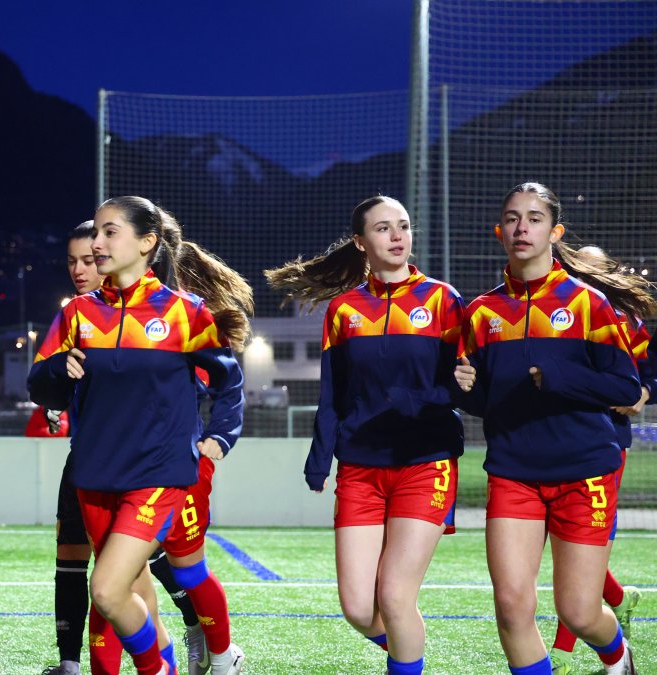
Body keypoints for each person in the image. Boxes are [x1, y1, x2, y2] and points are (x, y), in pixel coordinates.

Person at [29, 197, 247, 675]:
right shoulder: (79, 314)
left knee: (107, 588)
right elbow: (40, 387)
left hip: (157, 475)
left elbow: (229, 381)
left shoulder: (184, 313)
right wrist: (56, 373)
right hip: (93, 474)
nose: (97, 243)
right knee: (119, 595)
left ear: (147, 243)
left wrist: (221, 436)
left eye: (110, 233)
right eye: (97, 233)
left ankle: (179, 662)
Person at [454, 182, 649, 675]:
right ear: (500, 231)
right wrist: (464, 389)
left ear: (554, 231)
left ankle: (618, 656)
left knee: (579, 612)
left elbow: (627, 389)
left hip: (584, 472)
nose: (523, 227)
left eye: (535, 218)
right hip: (513, 473)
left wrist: (563, 378)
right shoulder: (480, 313)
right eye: (513, 218)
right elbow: (487, 401)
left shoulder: (588, 305)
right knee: (512, 608)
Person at [265, 195, 464, 675]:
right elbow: (334, 394)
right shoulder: (343, 310)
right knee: (358, 608)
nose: (397, 236)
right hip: (360, 468)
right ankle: (408, 650)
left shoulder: (443, 300)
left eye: (403, 226)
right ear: (361, 242)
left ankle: (405, 656)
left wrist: (433, 397)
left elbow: (468, 384)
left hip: (426, 461)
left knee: (395, 598)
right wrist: (320, 459)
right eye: (383, 229)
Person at [545, 245, 651, 675]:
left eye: (591, 266)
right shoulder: (557, 310)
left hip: (608, 441)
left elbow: (643, 375)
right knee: (569, 545)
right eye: (576, 265)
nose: (581, 272)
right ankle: (620, 601)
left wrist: (643, 392)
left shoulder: (623, 319)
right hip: (556, 439)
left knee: (583, 545)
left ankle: (576, 645)